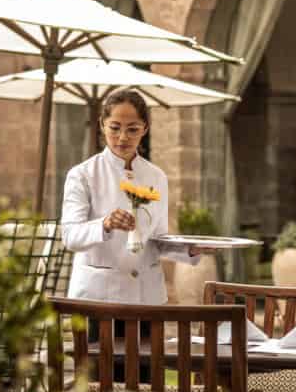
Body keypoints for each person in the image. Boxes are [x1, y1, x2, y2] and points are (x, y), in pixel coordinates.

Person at [61, 86, 202, 305]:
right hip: (99, 299)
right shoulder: (82, 175)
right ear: (102, 125)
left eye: (133, 129)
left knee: (149, 342)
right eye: (115, 128)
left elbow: (156, 241)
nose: (122, 137)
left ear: (145, 128)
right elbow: (70, 236)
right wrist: (105, 224)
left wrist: (190, 250)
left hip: (147, 297)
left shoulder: (157, 177)